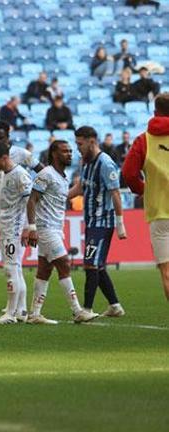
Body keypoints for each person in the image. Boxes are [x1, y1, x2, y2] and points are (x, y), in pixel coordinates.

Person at [24, 140, 100, 324]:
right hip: (45, 228)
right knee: (64, 263)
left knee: (44, 269)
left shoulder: (63, 177)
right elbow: (32, 200)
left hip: (56, 228)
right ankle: (77, 311)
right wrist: (32, 228)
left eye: (70, 151)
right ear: (54, 154)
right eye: (65, 151)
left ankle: (35, 314)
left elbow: (59, 198)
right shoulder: (46, 174)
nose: (69, 154)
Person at [68, 126, 127, 316]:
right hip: (92, 221)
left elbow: (116, 193)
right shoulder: (86, 162)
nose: (77, 148)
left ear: (91, 141)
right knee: (98, 265)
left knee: (90, 263)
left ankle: (86, 309)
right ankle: (115, 306)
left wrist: (120, 223)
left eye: (80, 144)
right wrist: (59, 198)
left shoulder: (106, 163)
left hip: (103, 222)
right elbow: (80, 187)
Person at [122, 93, 169, 300]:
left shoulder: (144, 140)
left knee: (167, 273)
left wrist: (143, 190)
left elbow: (128, 173)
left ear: (154, 112)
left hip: (159, 214)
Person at [0, 140, 32, 324]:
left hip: (14, 228)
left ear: (4, 158)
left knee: (10, 268)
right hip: (6, 226)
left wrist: (29, 227)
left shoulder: (20, 175)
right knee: (16, 268)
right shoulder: (6, 173)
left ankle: (10, 314)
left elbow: (31, 202)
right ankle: (21, 310)